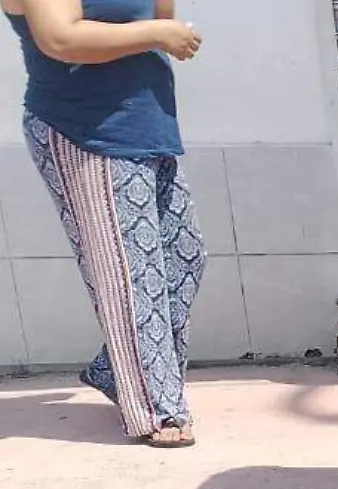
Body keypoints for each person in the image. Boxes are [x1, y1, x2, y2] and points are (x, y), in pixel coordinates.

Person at [7, 0, 204, 447]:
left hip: (145, 123)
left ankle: (115, 371)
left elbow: (160, 16)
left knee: (184, 262)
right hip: (85, 127)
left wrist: (160, 30)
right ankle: (155, 409)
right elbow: (61, 38)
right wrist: (155, 36)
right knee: (130, 277)